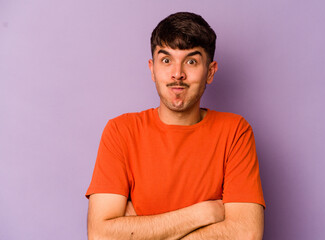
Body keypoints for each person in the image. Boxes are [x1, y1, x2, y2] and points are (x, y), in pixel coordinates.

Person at [86, 12, 265, 239]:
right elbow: (101, 235)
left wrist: (138, 227)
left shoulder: (235, 132)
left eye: (191, 61)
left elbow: (246, 234)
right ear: (152, 69)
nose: (177, 74)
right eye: (166, 60)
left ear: (210, 72)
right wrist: (202, 214)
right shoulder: (121, 131)